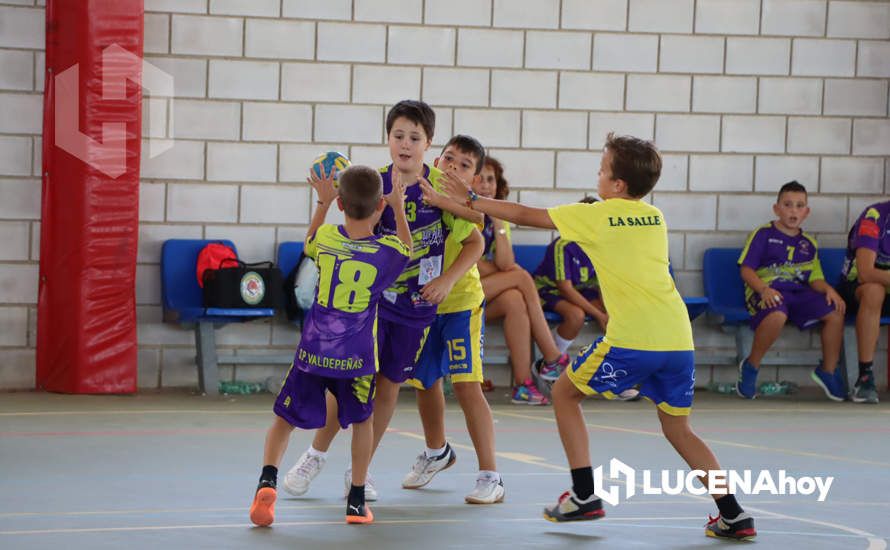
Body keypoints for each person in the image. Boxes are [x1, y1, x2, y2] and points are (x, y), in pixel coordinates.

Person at [440, 133, 757, 541]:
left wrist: (471, 199)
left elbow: (522, 213)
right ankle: (732, 513)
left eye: (603, 169)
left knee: (564, 394)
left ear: (617, 185)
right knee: (679, 429)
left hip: (632, 339)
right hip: (678, 340)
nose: (598, 175)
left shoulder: (597, 215)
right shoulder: (655, 218)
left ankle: (585, 495)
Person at [280, 100, 481, 500]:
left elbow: (474, 242)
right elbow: (350, 236)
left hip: (417, 311)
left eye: (415, 137)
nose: (405, 144)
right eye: (398, 136)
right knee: (355, 384)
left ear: (429, 144)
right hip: (372, 309)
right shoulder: (374, 182)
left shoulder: (440, 189)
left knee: (389, 386)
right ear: (388, 139)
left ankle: (361, 473)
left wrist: (446, 279)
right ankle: (315, 454)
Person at [249, 164, 411, 526]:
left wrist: (320, 204)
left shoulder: (327, 238)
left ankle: (267, 479)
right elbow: (407, 249)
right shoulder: (385, 251)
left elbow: (308, 242)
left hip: (313, 351)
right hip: (356, 358)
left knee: (283, 420)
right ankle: (356, 500)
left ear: (340, 203)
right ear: (379, 206)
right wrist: (399, 206)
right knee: (362, 422)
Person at [400, 135, 502, 503]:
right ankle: (436, 451)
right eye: (449, 159)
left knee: (466, 383)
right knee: (424, 382)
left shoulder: (464, 206)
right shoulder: (418, 189)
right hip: (423, 304)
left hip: (461, 303)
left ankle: (491, 475)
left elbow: (478, 234)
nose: (453, 168)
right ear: (436, 159)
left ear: (473, 179)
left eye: (464, 165)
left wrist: (447, 280)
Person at [736, 181, 846, 401]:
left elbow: (815, 279)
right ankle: (750, 367)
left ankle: (827, 371)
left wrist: (828, 290)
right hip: (768, 292)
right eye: (787, 204)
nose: (793, 210)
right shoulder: (763, 234)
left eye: (799, 205)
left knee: (835, 312)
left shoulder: (809, 244)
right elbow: (746, 270)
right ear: (777, 209)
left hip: (798, 294)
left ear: (806, 212)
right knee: (777, 314)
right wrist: (763, 289)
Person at [471, 156, 569, 405]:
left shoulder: (498, 218)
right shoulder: (463, 214)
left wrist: (497, 220)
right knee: (520, 277)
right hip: (457, 294)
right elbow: (473, 265)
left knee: (514, 298)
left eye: (491, 180)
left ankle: (523, 386)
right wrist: (501, 271)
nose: (485, 185)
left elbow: (503, 263)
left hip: (483, 296)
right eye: (479, 179)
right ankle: (552, 357)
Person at [836, 200, 890, 404]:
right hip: (856, 288)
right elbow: (865, 273)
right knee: (874, 291)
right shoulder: (874, 216)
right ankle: (865, 378)